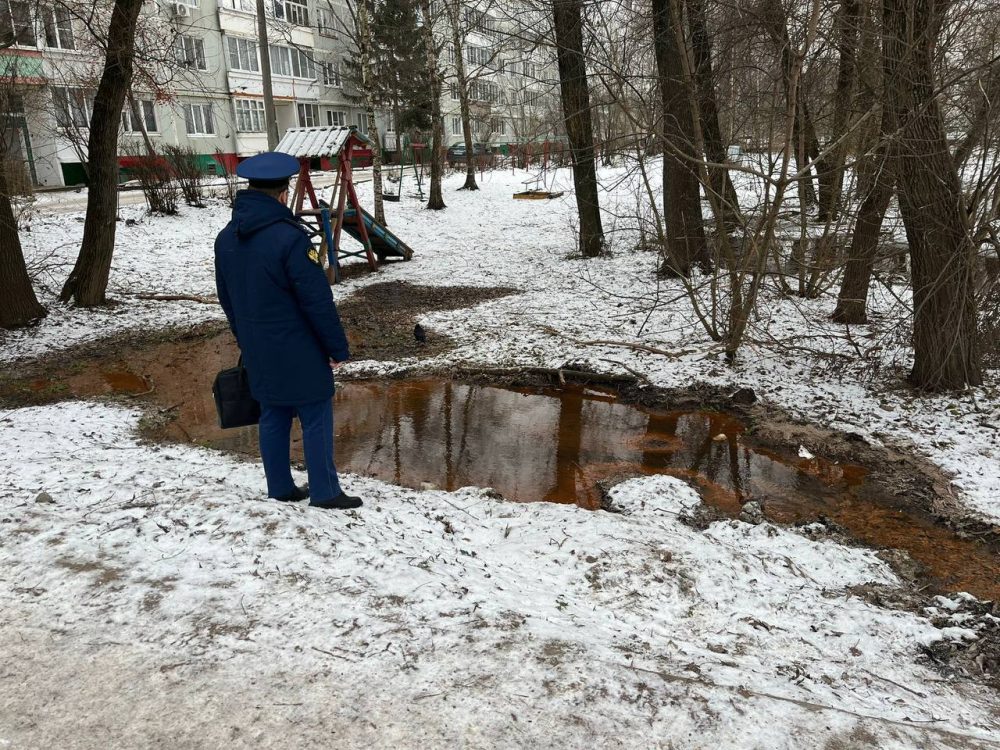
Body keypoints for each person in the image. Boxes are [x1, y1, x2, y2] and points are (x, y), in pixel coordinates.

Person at [214, 151, 362, 511]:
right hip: (298, 345)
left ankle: (279, 487)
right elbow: (316, 301)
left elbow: (227, 298)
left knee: (273, 412)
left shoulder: (226, 238)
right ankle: (325, 492)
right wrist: (336, 348)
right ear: (283, 193)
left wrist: (245, 337)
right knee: (315, 412)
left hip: (257, 345)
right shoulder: (291, 239)